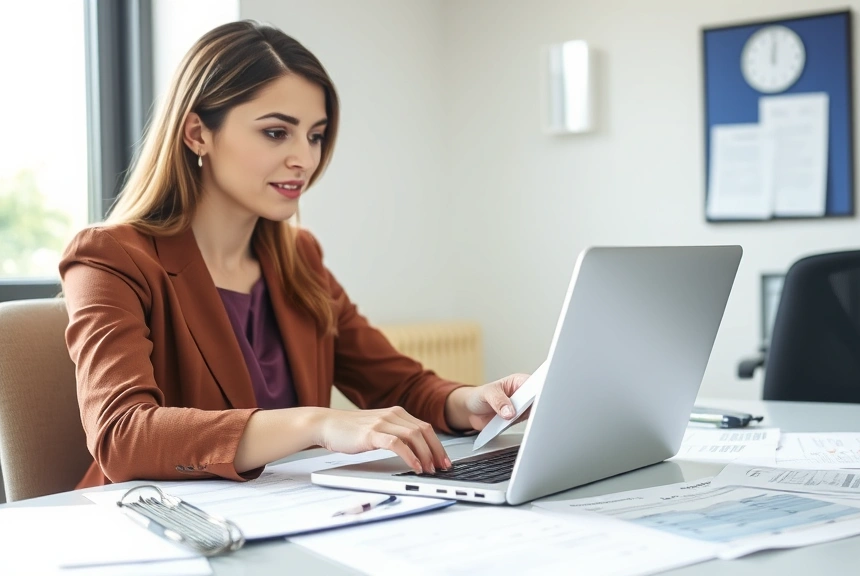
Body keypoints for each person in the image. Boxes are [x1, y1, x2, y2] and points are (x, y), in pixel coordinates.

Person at [59, 20, 528, 488]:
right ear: (197, 133)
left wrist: (468, 402)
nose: (304, 159)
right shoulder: (110, 257)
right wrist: (317, 424)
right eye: (276, 133)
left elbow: (397, 385)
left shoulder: (299, 258)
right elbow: (122, 437)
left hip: (277, 518)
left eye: (316, 135)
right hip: (157, 531)